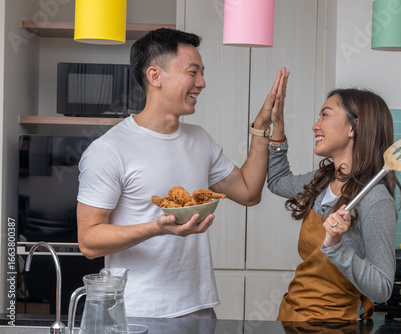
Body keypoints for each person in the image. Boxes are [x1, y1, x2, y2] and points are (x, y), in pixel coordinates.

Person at [76, 28, 288, 319]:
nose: (202, 83)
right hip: (138, 312)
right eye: (193, 72)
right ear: (155, 76)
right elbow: (89, 241)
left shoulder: (200, 139)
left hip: (199, 308)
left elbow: (249, 192)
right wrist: (157, 227)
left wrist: (261, 127)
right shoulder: (109, 150)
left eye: (202, 73)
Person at [265, 88, 401, 322]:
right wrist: (277, 126)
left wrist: (337, 245)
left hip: (337, 324)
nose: (315, 126)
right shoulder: (322, 180)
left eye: (325, 115)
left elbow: (382, 289)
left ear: (354, 127)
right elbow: (278, 182)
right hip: (293, 315)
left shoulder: (375, 200)